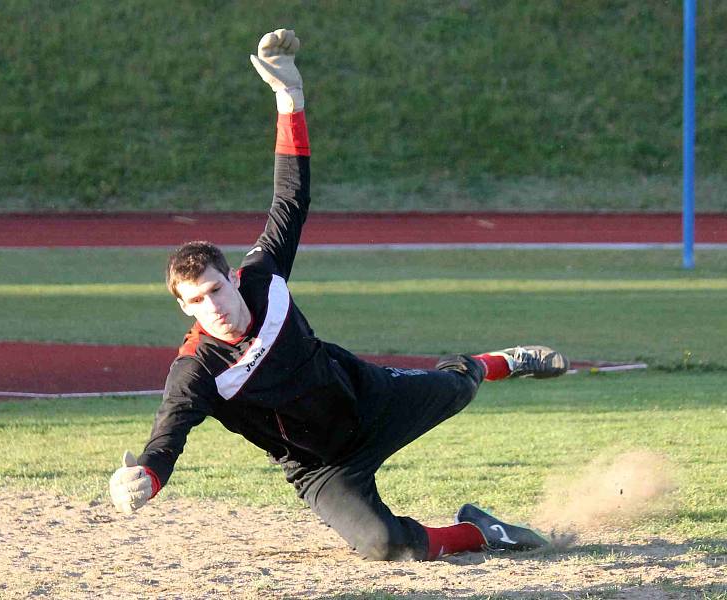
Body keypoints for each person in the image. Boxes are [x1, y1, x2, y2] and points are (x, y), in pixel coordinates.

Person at [109, 28, 569, 561]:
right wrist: (143, 477)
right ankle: (485, 534)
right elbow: (168, 438)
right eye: (196, 300)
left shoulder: (264, 276)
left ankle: (497, 363)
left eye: (215, 288)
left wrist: (289, 99)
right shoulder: (196, 370)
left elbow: (291, 196)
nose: (211, 306)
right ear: (184, 307)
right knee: (386, 546)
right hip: (320, 466)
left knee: (457, 388)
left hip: (370, 398)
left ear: (231, 278)